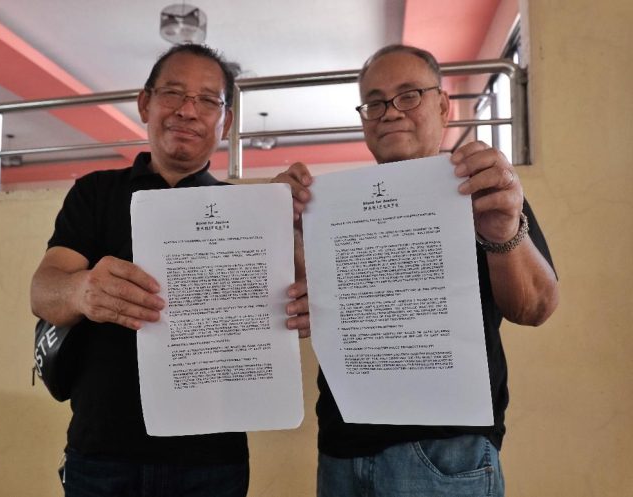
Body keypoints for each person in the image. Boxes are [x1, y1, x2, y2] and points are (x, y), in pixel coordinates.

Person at [275, 44, 559, 496]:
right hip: (341, 448)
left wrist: (504, 228)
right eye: (374, 101)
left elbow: (537, 307)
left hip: (447, 452)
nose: (389, 112)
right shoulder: (331, 208)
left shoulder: (486, 188)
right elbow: (300, 308)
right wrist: (282, 228)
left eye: (409, 95)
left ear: (444, 105)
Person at [30, 44, 249, 497]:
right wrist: (81, 291)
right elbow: (42, 291)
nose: (188, 110)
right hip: (102, 453)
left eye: (208, 100)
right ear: (145, 103)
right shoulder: (94, 193)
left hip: (212, 458)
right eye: (173, 92)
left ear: (224, 122)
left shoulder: (244, 212)